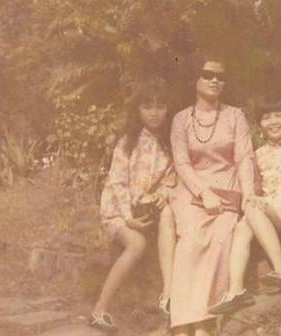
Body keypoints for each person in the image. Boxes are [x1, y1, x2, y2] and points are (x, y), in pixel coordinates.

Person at [168, 56, 256, 336]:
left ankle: (204, 325)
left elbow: (244, 157)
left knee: (220, 243)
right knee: (190, 244)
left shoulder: (235, 115)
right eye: (208, 75)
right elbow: (181, 163)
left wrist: (249, 194)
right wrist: (203, 192)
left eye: (220, 76)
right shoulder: (181, 119)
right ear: (196, 80)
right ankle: (183, 327)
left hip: (228, 191)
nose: (215, 80)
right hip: (193, 191)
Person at [91, 77, 176, 333]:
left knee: (170, 218)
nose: (154, 113)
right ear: (138, 110)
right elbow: (117, 183)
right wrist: (128, 217)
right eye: (147, 106)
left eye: (160, 106)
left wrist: (164, 191)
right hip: (118, 210)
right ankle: (99, 309)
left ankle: (169, 296)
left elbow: (172, 176)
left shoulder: (169, 143)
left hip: (147, 207)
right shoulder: (128, 141)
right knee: (137, 243)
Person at [208, 96, 281, 315]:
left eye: (279, 115)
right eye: (266, 118)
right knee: (243, 224)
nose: (273, 122)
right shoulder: (256, 155)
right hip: (270, 214)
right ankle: (236, 290)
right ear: (260, 125)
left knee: (251, 206)